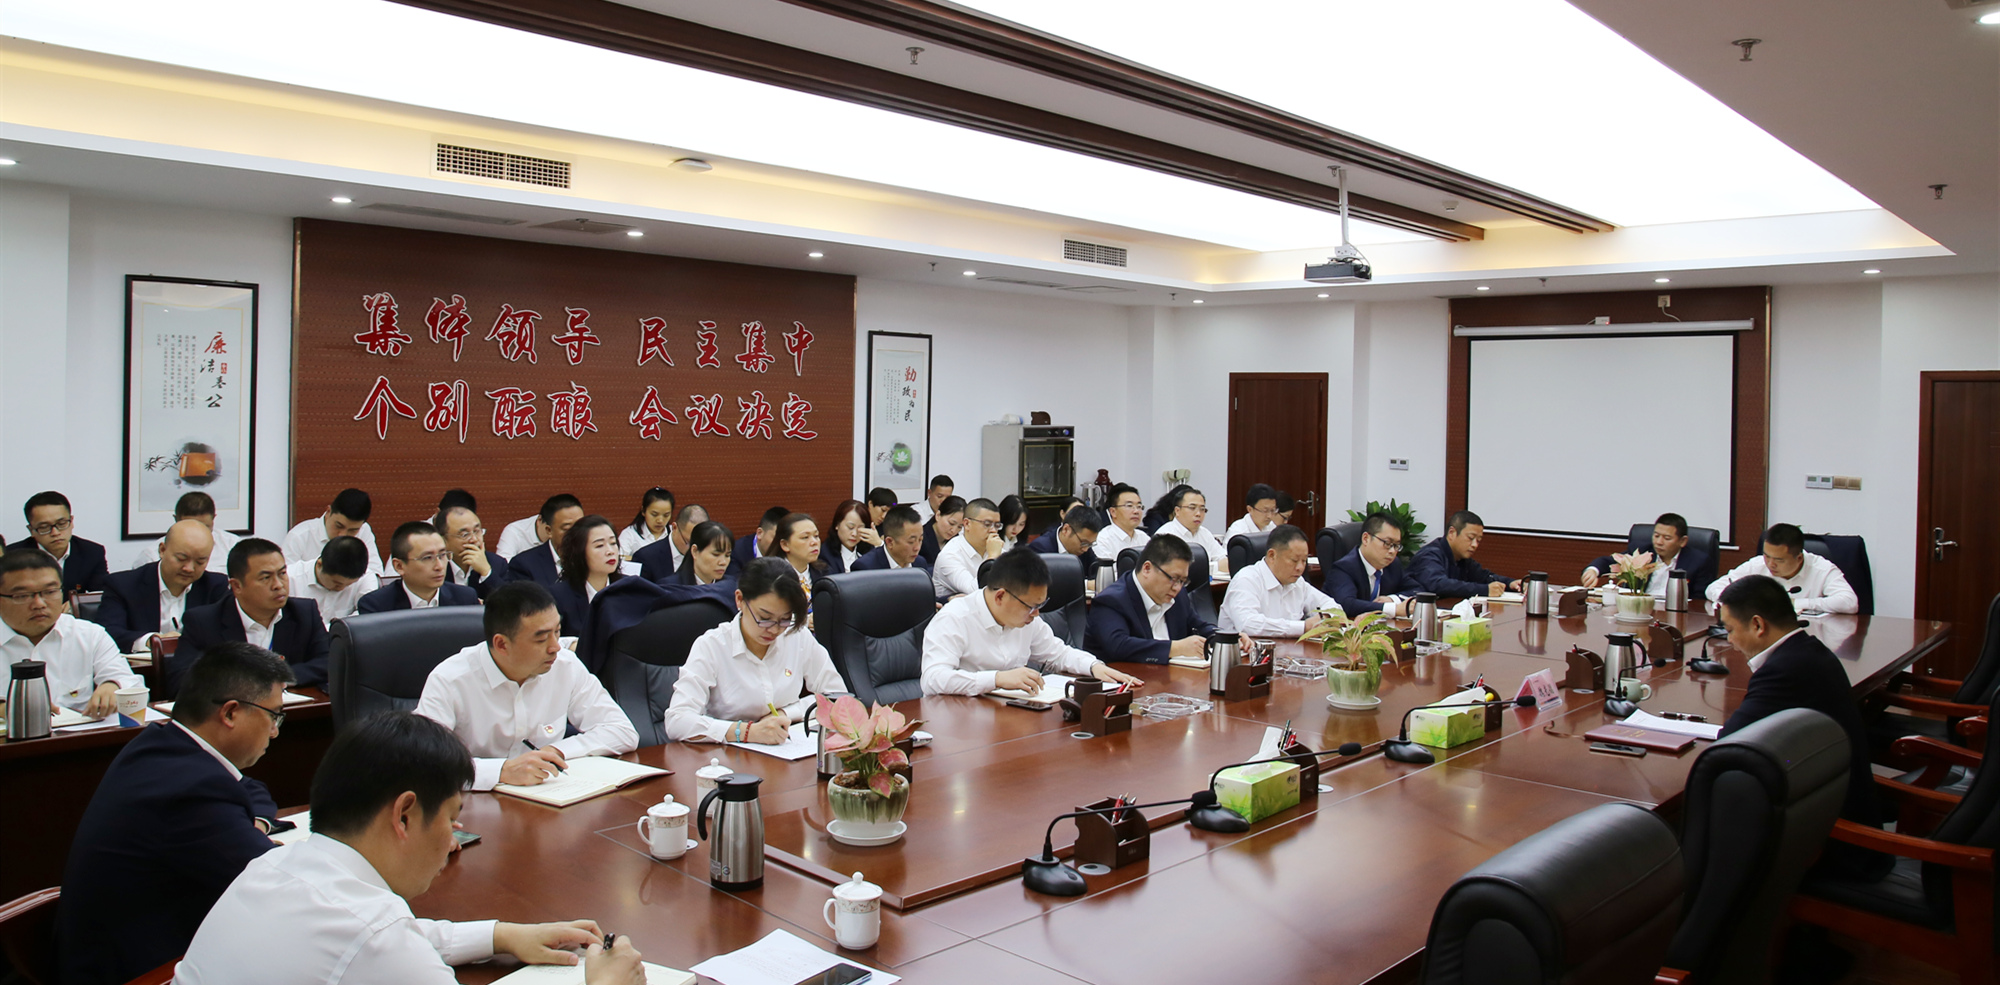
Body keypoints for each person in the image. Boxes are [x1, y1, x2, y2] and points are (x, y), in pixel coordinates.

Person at [172, 711, 646, 985]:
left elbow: (385, 936)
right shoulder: (377, 938)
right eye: (451, 815)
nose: (454, 832)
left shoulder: (275, 864)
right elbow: (381, 940)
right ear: (404, 815)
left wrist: (501, 936)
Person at [57, 642, 293, 985]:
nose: (275, 731)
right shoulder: (190, 790)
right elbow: (279, 884)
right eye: (274, 716)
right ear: (230, 713)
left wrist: (252, 824)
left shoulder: (160, 745)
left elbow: (248, 787)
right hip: (142, 972)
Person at [414, 581, 637, 791]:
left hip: (547, 796)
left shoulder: (565, 665)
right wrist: (501, 771)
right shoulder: (450, 680)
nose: (555, 647)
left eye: (557, 632)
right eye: (541, 639)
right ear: (502, 644)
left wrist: (555, 751)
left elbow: (622, 731)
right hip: (475, 804)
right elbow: (424, 764)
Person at [1715, 575, 1878, 829]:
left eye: (1730, 630)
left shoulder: (1784, 670)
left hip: (1827, 828)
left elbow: (1730, 740)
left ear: (1757, 625)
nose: (1729, 640)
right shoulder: (1809, 650)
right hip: (1832, 792)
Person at [663, 557, 847, 743]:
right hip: (726, 754)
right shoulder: (712, 646)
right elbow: (677, 720)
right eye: (764, 618)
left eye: (784, 619)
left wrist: (786, 713)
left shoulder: (796, 636)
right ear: (740, 600)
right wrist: (746, 731)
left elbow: (837, 697)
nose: (774, 629)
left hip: (786, 749)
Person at [921, 549, 1143, 696]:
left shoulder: (1028, 620)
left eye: (1041, 604)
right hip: (962, 724)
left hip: (1010, 716)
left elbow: (1058, 654)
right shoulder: (954, 618)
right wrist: (997, 679)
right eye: (1030, 606)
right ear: (1000, 596)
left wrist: (1094, 667)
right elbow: (933, 679)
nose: (1036, 614)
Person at [173, 539, 331, 696]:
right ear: (237, 586)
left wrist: (278, 677)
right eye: (266, 578)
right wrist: (247, 682)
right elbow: (181, 678)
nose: (278, 585)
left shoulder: (304, 612)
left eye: (282, 574)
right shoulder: (203, 621)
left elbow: (329, 662)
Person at [0, 549, 139, 715]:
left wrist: (113, 686)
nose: (39, 604)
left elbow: (131, 685)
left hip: (80, 731)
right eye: (22, 595)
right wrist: (5, 710)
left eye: (50, 592)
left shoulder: (89, 635)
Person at [96, 518, 232, 652]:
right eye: (181, 559)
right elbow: (108, 632)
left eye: (200, 562)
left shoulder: (215, 585)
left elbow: (228, 631)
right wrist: (154, 641)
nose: (189, 568)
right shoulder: (123, 585)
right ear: (162, 550)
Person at [1085, 536, 1216, 664]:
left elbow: (1199, 627)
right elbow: (1119, 646)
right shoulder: (1111, 601)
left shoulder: (1178, 596)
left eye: (1182, 581)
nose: (1177, 587)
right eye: (1174, 579)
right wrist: (1176, 648)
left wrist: (1222, 639)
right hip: (1126, 676)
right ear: (1147, 568)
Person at [1706, 523, 1858, 615]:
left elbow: (1849, 602)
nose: (1770, 564)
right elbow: (1713, 588)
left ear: (1799, 558)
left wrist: (1796, 603)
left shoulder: (1822, 569)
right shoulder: (1758, 564)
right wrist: (1738, 600)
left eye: (1779, 560)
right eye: (1767, 556)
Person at [1217, 524, 1335, 637]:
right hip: (1246, 650)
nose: (1300, 568)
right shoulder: (1246, 580)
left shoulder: (1298, 583)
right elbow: (1248, 625)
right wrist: (1303, 627)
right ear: (1272, 556)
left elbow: (1333, 607)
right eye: (1294, 560)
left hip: (1287, 649)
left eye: (1304, 561)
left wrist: (1323, 619)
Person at [1580, 512, 1715, 597]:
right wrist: (1593, 571)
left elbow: (1700, 600)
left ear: (1682, 541)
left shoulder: (1698, 561)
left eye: (1667, 538)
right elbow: (1609, 562)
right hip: (1641, 610)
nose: (1659, 542)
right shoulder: (1643, 552)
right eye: (1656, 536)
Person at [357, 521, 480, 613]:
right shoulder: (376, 606)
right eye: (427, 558)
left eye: (442, 555)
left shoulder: (465, 599)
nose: (439, 566)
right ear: (399, 566)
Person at [1325, 513, 1421, 618]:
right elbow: (1347, 604)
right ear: (1366, 539)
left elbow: (1417, 590)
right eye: (1387, 543)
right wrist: (1393, 609)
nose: (1392, 551)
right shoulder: (1344, 568)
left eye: (1396, 545)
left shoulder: (1393, 565)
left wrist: (1392, 599)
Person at [1408, 510, 1520, 598]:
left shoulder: (1462, 558)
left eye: (1478, 540)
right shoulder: (1429, 555)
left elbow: (1484, 577)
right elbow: (1438, 585)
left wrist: (1510, 583)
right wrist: (1485, 590)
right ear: (1452, 533)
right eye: (1470, 538)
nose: (1475, 545)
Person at [550, 515, 626, 637]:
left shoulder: (629, 587)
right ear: (579, 552)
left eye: (613, 543)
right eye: (599, 545)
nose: (610, 551)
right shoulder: (559, 596)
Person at [21, 490, 110, 594]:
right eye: (44, 527)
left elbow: (102, 594)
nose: (55, 533)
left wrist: (75, 601)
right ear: (31, 530)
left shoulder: (92, 552)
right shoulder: (12, 556)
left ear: (71, 521)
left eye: (62, 523)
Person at [280, 488, 383, 577]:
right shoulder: (299, 537)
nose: (342, 535)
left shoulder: (364, 530)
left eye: (352, 530)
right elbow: (286, 578)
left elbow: (375, 573)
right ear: (328, 512)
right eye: (339, 526)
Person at [127, 491, 241, 571]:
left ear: (213, 519)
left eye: (204, 527)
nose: (197, 534)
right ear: (176, 520)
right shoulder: (151, 556)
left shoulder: (233, 545)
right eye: (189, 527)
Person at [286, 536, 377, 627]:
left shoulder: (366, 578)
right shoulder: (290, 580)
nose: (342, 588)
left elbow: (367, 616)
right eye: (337, 583)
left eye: (349, 584)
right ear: (320, 564)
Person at [507, 494, 584, 588]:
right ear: (549, 531)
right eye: (567, 528)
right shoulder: (524, 565)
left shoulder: (594, 558)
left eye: (581, 526)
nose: (576, 533)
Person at [436, 505, 511, 599]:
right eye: (464, 534)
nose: (474, 539)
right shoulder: (435, 567)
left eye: (477, 531)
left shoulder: (496, 563)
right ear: (442, 540)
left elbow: (509, 603)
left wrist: (486, 572)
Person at [1152, 486, 1230, 574]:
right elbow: (1174, 570)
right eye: (1192, 508)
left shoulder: (1205, 533)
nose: (1198, 514)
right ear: (1177, 511)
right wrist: (1216, 567)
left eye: (1202, 509)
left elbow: (1224, 560)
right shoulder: (1165, 536)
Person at [934, 497, 1001, 599]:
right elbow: (977, 591)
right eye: (987, 524)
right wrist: (992, 558)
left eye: (997, 525)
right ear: (967, 524)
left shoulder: (997, 549)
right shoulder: (949, 555)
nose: (993, 531)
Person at [660, 520, 738, 602]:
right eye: (716, 554)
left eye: (727, 555)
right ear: (695, 551)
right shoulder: (669, 588)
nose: (723, 562)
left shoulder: (732, 586)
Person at [851, 506, 935, 576]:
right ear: (890, 542)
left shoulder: (920, 564)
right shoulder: (865, 568)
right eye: (911, 542)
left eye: (920, 540)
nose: (917, 548)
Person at [633, 504, 707, 582]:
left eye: (701, 543)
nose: (694, 550)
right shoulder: (645, 558)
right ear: (674, 528)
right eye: (688, 542)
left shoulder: (709, 556)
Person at [1091, 483, 1150, 564]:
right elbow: (1107, 570)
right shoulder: (1103, 539)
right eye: (1129, 506)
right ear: (1113, 512)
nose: (1136, 511)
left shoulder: (1144, 538)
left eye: (1139, 506)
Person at [772, 512, 823, 604]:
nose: (814, 542)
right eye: (805, 537)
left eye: (816, 536)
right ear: (785, 545)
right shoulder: (772, 578)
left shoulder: (825, 572)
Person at [1027, 505, 1104, 561]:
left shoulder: (1086, 549)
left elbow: (1095, 574)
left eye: (1090, 544)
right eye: (1083, 543)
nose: (1085, 549)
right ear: (1066, 530)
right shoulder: (1040, 548)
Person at [616, 487, 674, 561]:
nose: (660, 520)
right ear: (643, 511)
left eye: (666, 515)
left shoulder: (675, 533)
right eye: (654, 514)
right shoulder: (630, 534)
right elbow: (619, 558)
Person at [819, 499, 873, 574]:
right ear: (837, 524)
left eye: (860, 528)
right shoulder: (824, 554)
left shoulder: (870, 551)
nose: (854, 533)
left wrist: (879, 544)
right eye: (850, 527)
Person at [732, 506, 790, 573]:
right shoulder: (737, 553)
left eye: (786, 538)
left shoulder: (793, 550)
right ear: (760, 533)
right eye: (777, 538)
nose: (782, 545)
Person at [920, 495, 965, 564]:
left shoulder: (957, 542)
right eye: (951, 523)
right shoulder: (920, 539)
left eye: (959, 527)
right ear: (938, 515)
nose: (954, 530)